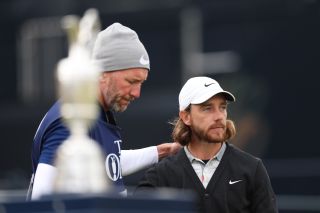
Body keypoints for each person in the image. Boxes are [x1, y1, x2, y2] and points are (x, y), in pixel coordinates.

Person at [29, 23, 180, 200]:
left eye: (141, 83)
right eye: (131, 81)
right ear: (102, 74)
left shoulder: (96, 112)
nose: (137, 93)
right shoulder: (70, 121)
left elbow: (109, 163)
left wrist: (162, 152)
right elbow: (40, 201)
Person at [136, 76, 278, 213]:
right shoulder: (160, 175)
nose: (218, 116)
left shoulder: (252, 169)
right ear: (186, 117)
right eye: (207, 108)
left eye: (222, 107)